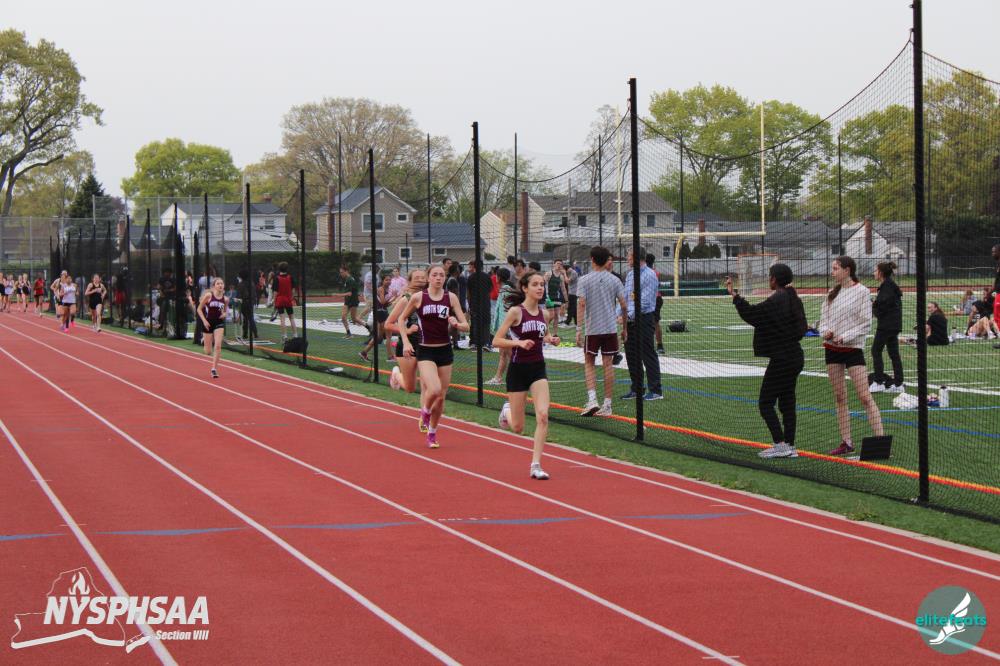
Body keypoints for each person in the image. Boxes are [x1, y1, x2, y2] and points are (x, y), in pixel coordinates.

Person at [726, 264, 808, 458]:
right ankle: (790, 445)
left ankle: (780, 444)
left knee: (765, 403)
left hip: (782, 359)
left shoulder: (777, 299)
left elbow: (753, 314)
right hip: (795, 357)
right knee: (787, 402)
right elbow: (801, 328)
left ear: (774, 279)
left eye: (770, 277)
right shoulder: (793, 298)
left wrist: (735, 296)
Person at [494, 271, 560, 480]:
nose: (540, 288)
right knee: (518, 427)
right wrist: (518, 343)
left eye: (542, 284)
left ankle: (535, 465)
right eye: (535, 284)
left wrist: (551, 339)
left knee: (543, 415)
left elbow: (544, 334)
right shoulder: (516, 312)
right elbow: (496, 340)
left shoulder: (545, 314)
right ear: (525, 288)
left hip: (538, 369)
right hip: (518, 370)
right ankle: (506, 411)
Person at [398, 263, 470, 448]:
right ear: (429, 278)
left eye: (441, 275)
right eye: (435, 275)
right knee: (435, 389)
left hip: (445, 351)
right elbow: (401, 319)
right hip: (426, 350)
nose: (438, 278)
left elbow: (466, 325)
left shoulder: (450, 297)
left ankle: (432, 433)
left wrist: (456, 324)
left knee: (441, 397)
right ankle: (425, 411)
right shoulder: (418, 297)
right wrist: (406, 341)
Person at [819, 256, 884, 456]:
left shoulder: (862, 292)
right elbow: (823, 320)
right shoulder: (832, 293)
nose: (832, 272)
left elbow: (865, 323)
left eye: (835, 268)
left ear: (847, 270)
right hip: (832, 350)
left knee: (864, 396)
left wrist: (845, 337)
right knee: (840, 397)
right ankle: (846, 442)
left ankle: (880, 441)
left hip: (853, 350)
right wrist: (826, 332)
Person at [577, 246, 628, 417]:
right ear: (606, 260)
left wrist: (578, 329)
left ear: (592, 259)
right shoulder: (615, 280)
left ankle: (592, 400)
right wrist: (625, 328)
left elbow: (581, 304)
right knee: (608, 364)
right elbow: (624, 305)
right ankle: (607, 405)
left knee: (589, 363)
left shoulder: (584, 280)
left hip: (592, 329)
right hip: (610, 329)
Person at [622, 247, 662, 400]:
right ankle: (637, 388)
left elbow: (644, 302)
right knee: (631, 355)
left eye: (629, 256)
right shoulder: (630, 274)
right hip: (630, 320)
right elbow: (625, 297)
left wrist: (628, 315)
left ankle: (656, 390)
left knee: (647, 353)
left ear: (636, 257)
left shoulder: (650, 275)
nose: (627, 259)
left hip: (644, 319)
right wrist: (619, 314)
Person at [385, 268, 428, 393]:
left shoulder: (430, 297)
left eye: (423, 277)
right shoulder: (406, 299)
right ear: (409, 281)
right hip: (409, 344)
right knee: (410, 388)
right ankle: (397, 376)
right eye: (417, 278)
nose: (420, 280)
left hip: (427, 344)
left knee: (428, 381)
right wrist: (408, 330)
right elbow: (388, 324)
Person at [870, 261, 904, 393]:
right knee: (893, 353)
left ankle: (879, 382)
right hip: (893, 325)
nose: (873, 273)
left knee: (876, 350)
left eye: (875, 270)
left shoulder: (887, 287)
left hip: (887, 325)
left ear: (881, 273)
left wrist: (873, 305)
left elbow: (882, 309)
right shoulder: (889, 285)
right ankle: (898, 384)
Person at [486, 268, 516, 385]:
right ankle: (498, 378)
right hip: (505, 328)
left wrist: (505, 330)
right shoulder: (506, 289)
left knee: (509, 354)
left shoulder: (505, 289)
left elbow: (505, 311)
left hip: (506, 329)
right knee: (504, 354)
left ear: (498, 277)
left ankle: (520, 376)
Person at [197, 277, 228, 378]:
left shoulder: (225, 299)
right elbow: (199, 309)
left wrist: (224, 314)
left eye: (222, 283)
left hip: (219, 323)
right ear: (214, 286)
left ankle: (214, 369)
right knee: (208, 351)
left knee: (218, 346)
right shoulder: (209, 296)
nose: (220, 285)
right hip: (208, 323)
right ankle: (204, 340)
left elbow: (224, 310)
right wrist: (204, 321)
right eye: (218, 284)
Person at [361, 273, 392, 361]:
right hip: (381, 313)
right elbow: (383, 302)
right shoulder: (381, 289)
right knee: (388, 335)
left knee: (379, 337)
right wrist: (393, 297)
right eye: (386, 280)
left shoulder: (386, 289)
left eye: (390, 280)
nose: (389, 281)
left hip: (382, 311)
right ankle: (390, 357)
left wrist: (392, 300)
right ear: (382, 281)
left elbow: (385, 304)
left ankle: (364, 352)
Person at [272, 261, 299, 341]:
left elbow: (275, 292)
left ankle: (284, 336)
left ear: (279, 269)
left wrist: (274, 301)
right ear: (287, 269)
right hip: (288, 299)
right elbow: (293, 290)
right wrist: (291, 297)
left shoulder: (277, 278)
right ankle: (295, 335)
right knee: (292, 318)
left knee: (282, 319)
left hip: (280, 300)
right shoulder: (290, 277)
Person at [333, 266, 363, 338]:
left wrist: (338, 295)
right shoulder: (348, 279)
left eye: (342, 272)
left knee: (354, 319)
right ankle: (348, 333)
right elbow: (353, 290)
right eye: (340, 272)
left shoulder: (350, 280)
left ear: (346, 271)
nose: (341, 274)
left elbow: (349, 293)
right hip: (348, 301)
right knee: (343, 317)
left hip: (353, 301)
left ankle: (368, 327)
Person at [646, 254, 665, 354]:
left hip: (652, 298)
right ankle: (659, 346)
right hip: (657, 298)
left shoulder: (646, 272)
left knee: (651, 323)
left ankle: (654, 345)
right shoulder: (655, 272)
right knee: (655, 322)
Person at [544, 260, 568, 333]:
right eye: (558, 263)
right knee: (551, 315)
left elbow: (563, 289)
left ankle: (555, 334)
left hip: (557, 298)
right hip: (548, 297)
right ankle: (544, 329)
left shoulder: (561, 276)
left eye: (561, 264)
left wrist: (566, 300)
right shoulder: (548, 274)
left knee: (556, 316)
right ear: (554, 264)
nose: (559, 265)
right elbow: (542, 284)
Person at [564, 261, 579, 326]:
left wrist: (564, 274)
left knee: (570, 308)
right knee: (574, 308)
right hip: (572, 292)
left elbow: (567, 281)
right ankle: (576, 322)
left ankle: (567, 321)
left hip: (573, 293)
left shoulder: (573, 273)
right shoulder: (570, 273)